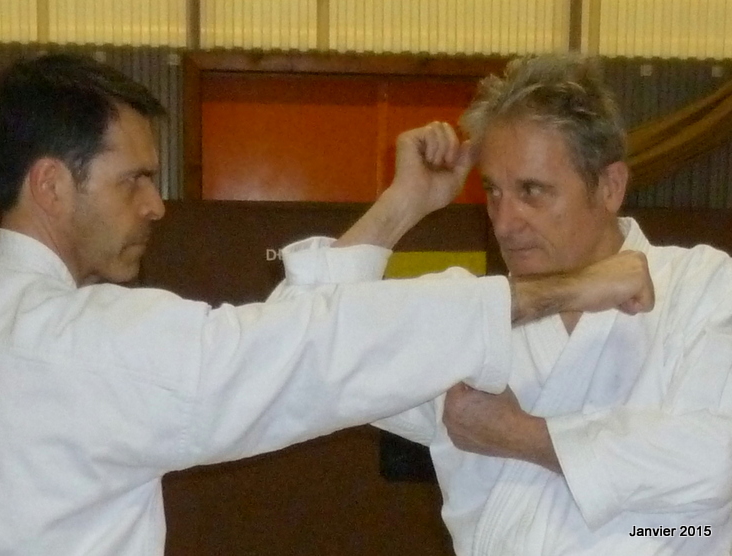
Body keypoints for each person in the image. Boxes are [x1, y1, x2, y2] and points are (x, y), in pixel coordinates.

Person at [0, 53, 653, 555]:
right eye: (134, 180)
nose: (156, 205)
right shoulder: (81, 343)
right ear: (52, 186)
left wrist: (401, 206)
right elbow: (307, 352)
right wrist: (558, 290)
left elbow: (295, 339)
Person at [309, 53, 732, 555]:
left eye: (532, 191)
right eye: (493, 192)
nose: (505, 223)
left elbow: (717, 460)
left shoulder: (702, 287)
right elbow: (311, 351)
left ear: (610, 187)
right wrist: (402, 203)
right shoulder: (476, 315)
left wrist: (521, 434)